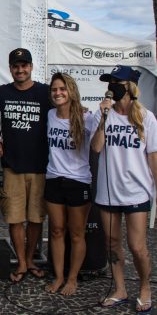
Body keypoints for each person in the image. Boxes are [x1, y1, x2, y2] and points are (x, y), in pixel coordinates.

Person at [91, 65, 157, 312]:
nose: (111, 88)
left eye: (115, 83)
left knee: (138, 246)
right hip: (109, 192)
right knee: (111, 243)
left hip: (137, 191)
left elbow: (153, 157)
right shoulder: (103, 115)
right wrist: (104, 118)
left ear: (129, 87)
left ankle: (145, 286)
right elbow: (96, 148)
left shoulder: (146, 117)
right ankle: (120, 288)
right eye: (109, 83)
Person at [0, 48, 51, 283]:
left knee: (36, 219)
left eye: (24, 65)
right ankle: (21, 262)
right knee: (15, 219)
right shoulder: (0, 93)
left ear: (31, 67)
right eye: (16, 66)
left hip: (40, 167)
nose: (20, 70)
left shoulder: (46, 92)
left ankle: (29, 259)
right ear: (10, 68)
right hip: (12, 167)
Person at [44, 73, 93, 295]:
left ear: (71, 90)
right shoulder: (50, 115)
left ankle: (72, 279)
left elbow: (100, 145)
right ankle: (59, 277)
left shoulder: (87, 117)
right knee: (55, 231)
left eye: (62, 89)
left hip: (78, 181)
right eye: (54, 89)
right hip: (53, 179)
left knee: (76, 234)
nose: (58, 93)